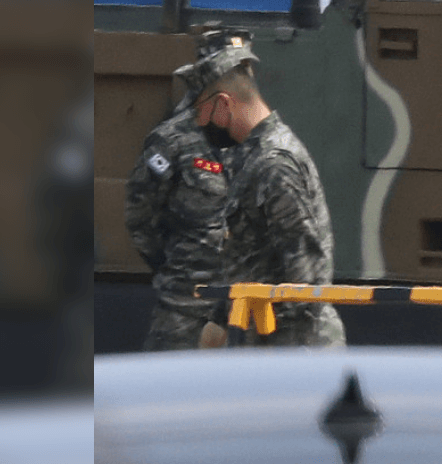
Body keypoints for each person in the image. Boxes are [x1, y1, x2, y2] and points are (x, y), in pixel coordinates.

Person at [192, 28, 345, 347]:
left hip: (293, 349)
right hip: (265, 342)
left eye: (201, 111)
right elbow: (256, 260)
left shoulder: (274, 163)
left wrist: (281, 361)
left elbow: (306, 282)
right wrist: (221, 318)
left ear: (223, 104)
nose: (198, 122)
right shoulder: (250, 158)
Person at [124, 58, 234, 351]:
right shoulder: (172, 139)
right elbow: (140, 212)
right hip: (186, 299)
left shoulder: (247, 136)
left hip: (239, 299)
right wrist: (168, 264)